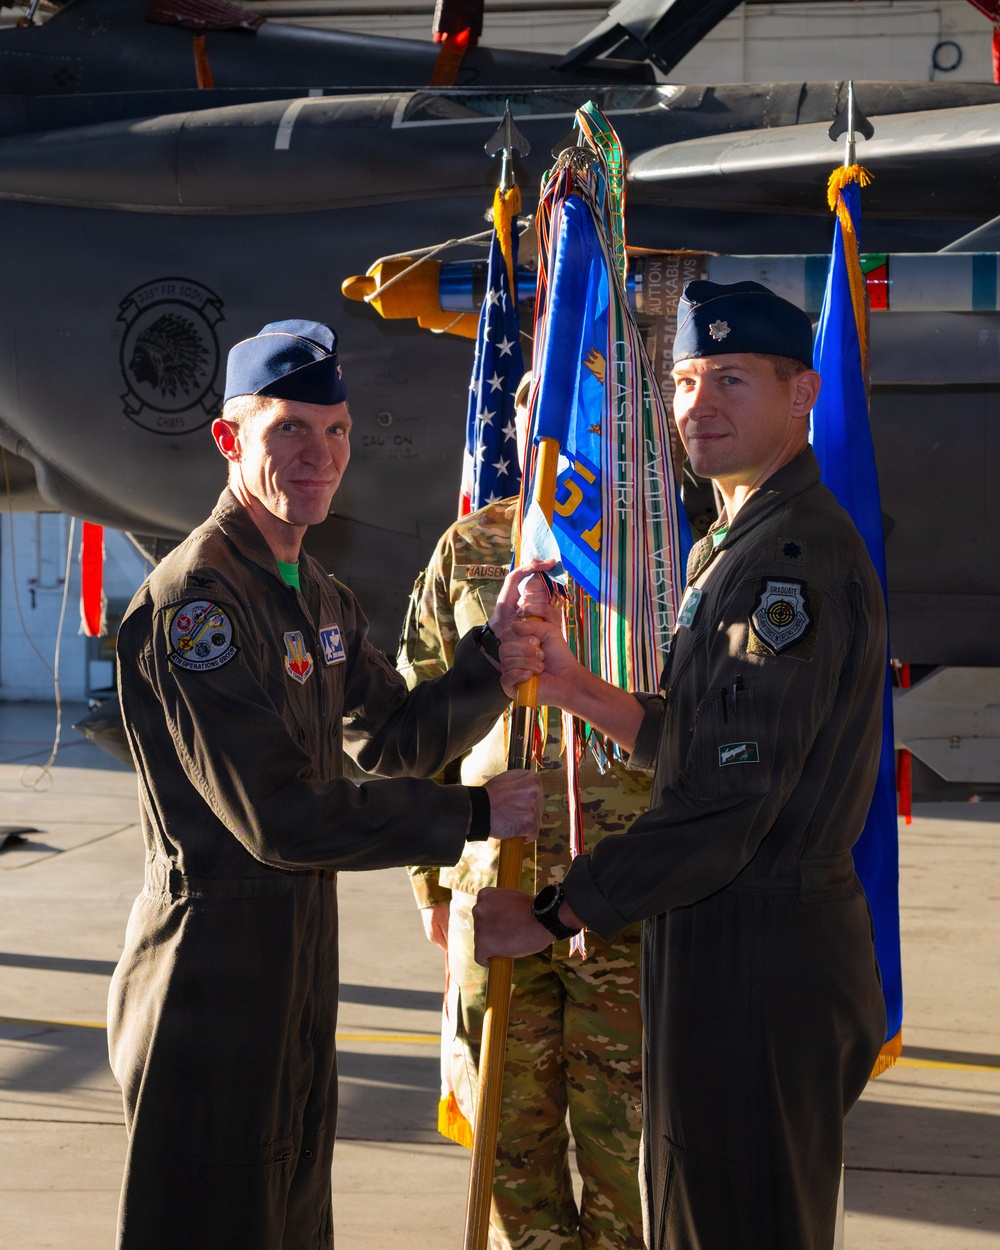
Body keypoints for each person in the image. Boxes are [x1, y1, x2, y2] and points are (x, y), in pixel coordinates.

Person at [108, 319, 544, 1250]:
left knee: (290, 1221)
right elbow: (282, 820)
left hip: (293, 966)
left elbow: (391, 739)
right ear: (231, 440)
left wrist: (492, 667)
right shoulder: (200, 607)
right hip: (210, 977)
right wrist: (471, 814)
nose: (322, 455)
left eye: (337, 430)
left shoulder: (314, 594)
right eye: (290, 431)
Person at [475, 281, 888, 1250]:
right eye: (686, 380)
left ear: (802, 395)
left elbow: (730, 798)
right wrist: (578, 687)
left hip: (763, 955)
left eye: (731, 379)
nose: (698, 404)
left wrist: (554, 913)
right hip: (724, 941)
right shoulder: (734, 542)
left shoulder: (789, 559)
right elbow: (713, 738)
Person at [397, 373, 648, 1250]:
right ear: (515, 413)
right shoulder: (471, 544)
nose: (554, 419)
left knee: (630, 1147)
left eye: (582, 394)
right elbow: (416, 712)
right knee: (509, 1143)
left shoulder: (660, 544)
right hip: (493, 891)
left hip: (629, 900)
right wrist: (430, 877)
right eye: (534, 396)